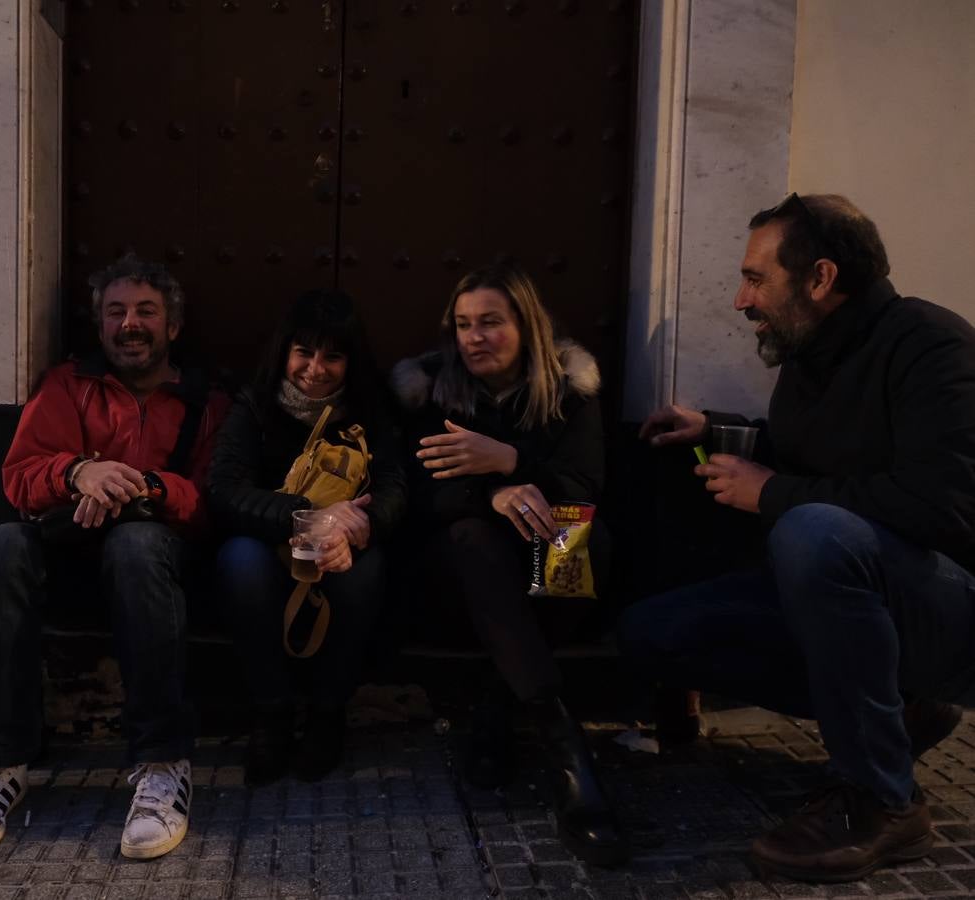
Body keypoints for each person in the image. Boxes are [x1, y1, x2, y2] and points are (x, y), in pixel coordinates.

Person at [621, 193, 975, 883]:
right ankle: (897, 713)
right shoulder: (810, 351)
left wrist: (773, 493)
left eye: (756, 279)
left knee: (814, 531)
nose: (740, 301)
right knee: (651, 632)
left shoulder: (934, 346)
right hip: (861, 589)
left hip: (949, 608)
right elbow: (812, 454)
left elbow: (945, 510)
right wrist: (721, 431)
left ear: (819, 278)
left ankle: (881, 801)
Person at [0, 255, 231, 862]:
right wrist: (79, 471)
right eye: (116, 312)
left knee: (137, 543)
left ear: (172, 326)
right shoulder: (66, 386)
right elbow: (19, 478)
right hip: (67, 549)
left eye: (146, 311)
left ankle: (160, 766)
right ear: (99, 326)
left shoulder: (205, 403)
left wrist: (146, 488)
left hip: (156, 565)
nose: (130, 324)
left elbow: (214, 502)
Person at [391, 262, 627, 866]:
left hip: (545, 586)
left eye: (491, 322)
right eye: (464, 324)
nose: (474, 337)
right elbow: (422, 493)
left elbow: (582, 488)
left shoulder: (569, 393)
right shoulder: (435, 390)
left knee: (581, 539)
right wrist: (492, 492)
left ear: (527, 325)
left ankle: (498, 706)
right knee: (474, 538)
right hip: (457, 581)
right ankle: (562, 744)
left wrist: (509, 459)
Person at [208, 289, 407, 784]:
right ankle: (271, 713)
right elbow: (225, 490)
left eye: (333, 356)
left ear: (350, 361)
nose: (315, 369)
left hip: (342, 549)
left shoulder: (371, 409)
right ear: (285, 352)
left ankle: (327, 713)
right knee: (239, 561)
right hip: (271, 541)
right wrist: (307, 517)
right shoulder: (254, 404)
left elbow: (396, 488)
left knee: (369, 570)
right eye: (304, 352)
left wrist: (362, 525)